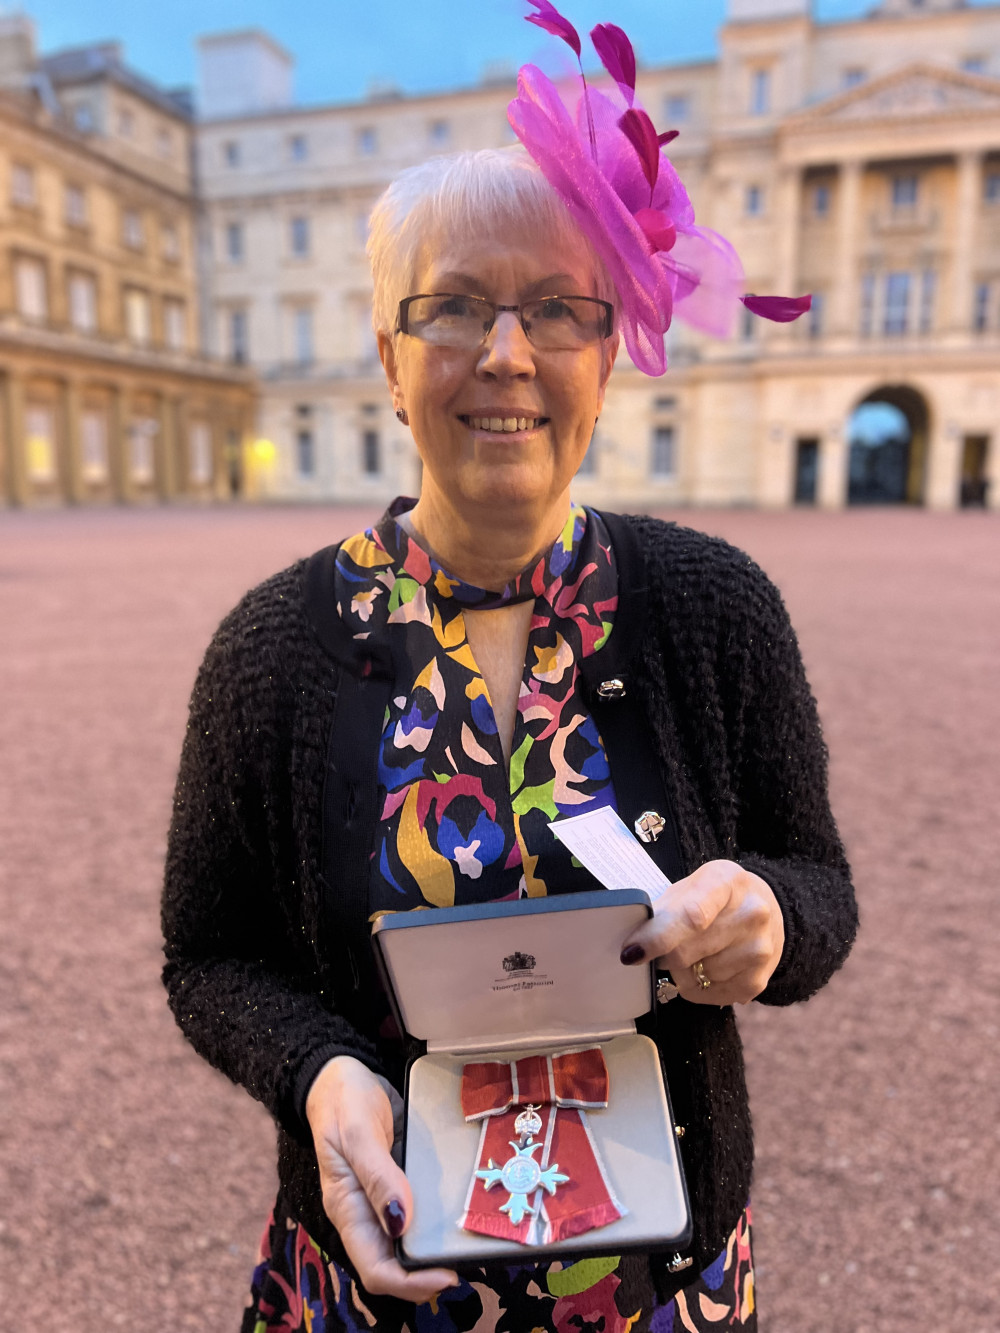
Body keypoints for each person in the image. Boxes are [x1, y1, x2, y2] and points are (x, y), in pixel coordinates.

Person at [161, 12, 856, 1331]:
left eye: (555, 307)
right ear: (386, 353)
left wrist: (768, 914)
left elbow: (818, 886)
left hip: (660, 1287)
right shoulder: (270, 647)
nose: (505, 353)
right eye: (454, 306)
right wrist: (313, 1071)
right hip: (377, 1284)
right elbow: (210, 954)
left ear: (610, 348)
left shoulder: (715, 608)